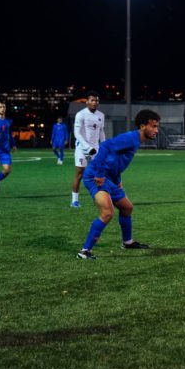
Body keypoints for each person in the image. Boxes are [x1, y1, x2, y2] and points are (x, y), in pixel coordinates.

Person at [76, 109, 161, 260]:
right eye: (153, 126)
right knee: (107, 213)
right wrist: (100, 174)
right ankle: (84, 251)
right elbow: (105, 147)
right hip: (96, 177)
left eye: (157, 126)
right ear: (142, 126)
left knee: (127, 208)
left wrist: (117, 179)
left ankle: (127, 242)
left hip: (110, 178)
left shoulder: (136, 140)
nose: (156, 130)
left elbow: (115, 159)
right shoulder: (131, 138)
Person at [71, 94, 105, 208]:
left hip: (95, 149)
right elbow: (77, 133)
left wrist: (104, 146)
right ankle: (74, 200)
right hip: (82, 148)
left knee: (98, 174)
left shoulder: (101, 115)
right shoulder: (80, 114)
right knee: (79, 174)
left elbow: (101, 132)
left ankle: (98, 199)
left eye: (96, 100)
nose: (95, 102)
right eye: (92, 100)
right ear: (87, 102)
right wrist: (87, 147)